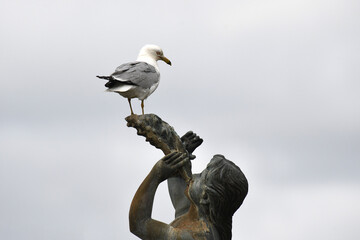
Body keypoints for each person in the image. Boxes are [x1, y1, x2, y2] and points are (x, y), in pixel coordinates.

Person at [129, 132, 248, 240]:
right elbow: (180, 201)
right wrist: (179, 159)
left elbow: (139, 224)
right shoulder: (198, 213)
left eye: (201, 176)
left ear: (205, 197)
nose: (195, 175)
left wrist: (156, 174)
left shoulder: (196, 237)